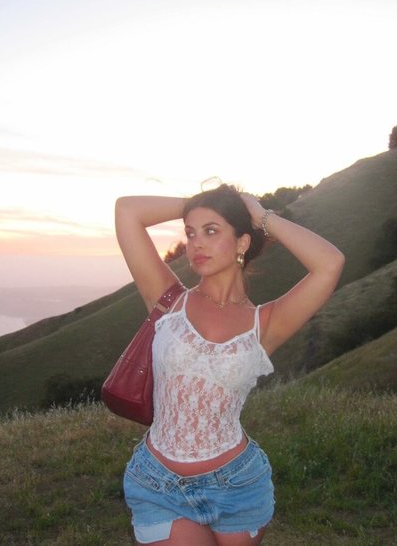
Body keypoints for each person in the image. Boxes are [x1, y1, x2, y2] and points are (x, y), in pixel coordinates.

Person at [115, 184, 345, 546]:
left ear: (242, 243)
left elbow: (330, 264)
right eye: (191, 233)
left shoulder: (265, 323)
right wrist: (201, 205)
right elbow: (127, 210)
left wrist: (258, 215)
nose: (196, 243)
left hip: (237, 486)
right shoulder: (168, 298)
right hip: (158, 484)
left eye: (211, 231)